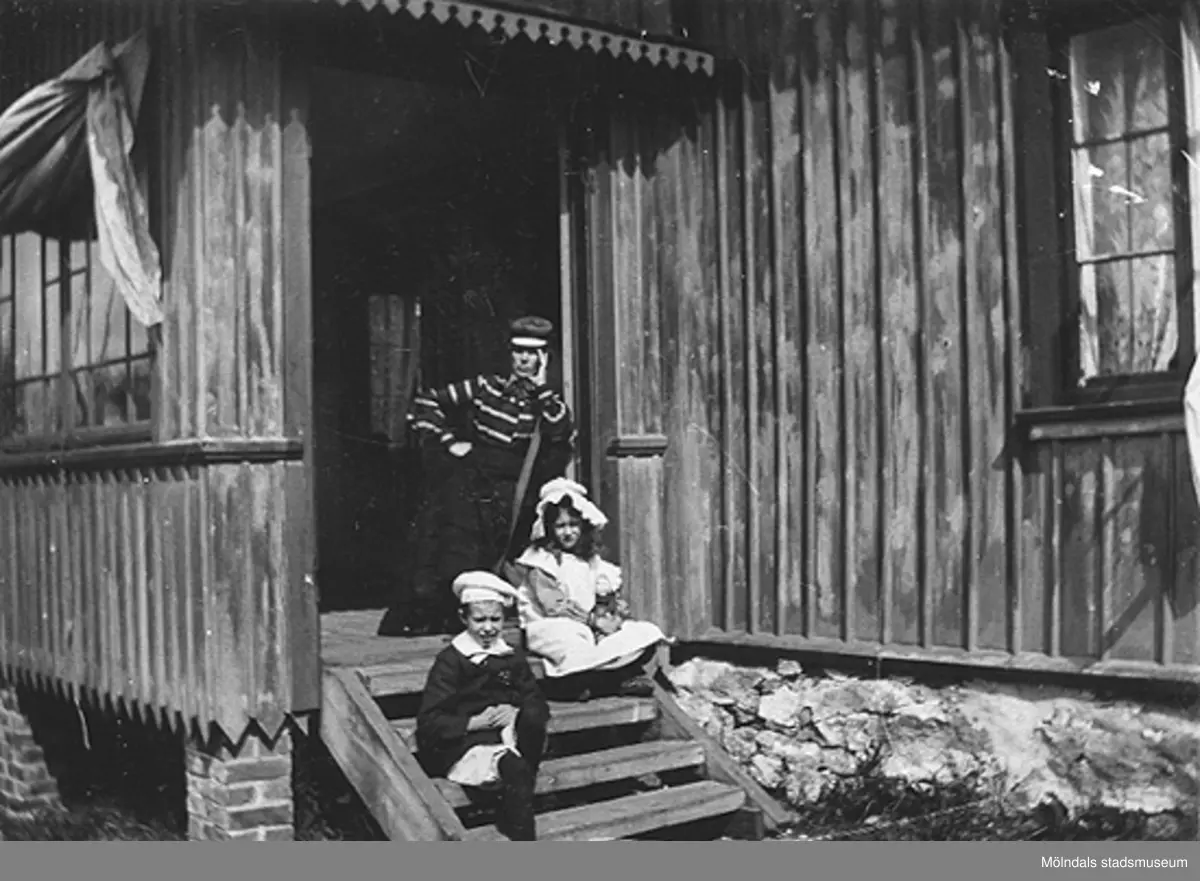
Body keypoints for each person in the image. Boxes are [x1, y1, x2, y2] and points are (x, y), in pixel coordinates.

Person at [378, 316, 575, 636]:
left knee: (505, 553)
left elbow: (559, 429)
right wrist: (449, 441)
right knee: (456, 547)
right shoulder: (486, 385)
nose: (524, 360)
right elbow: (427, 400)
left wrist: (540, 387)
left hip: (515, 492)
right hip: (473, 483)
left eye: (532, 354)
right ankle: (454, 617)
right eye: (518, 352)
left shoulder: (547, 401)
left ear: (543, 358)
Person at [415, 571, 550, 841]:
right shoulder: (452, 660)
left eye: (495, 619)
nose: (488, 628)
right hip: (468, 743)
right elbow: (430, 720)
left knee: (534, 715)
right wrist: (474, 722)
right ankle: (523, 837)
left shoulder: (510, 655)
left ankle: (518, 792)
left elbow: (534, 697)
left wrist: (516, 711)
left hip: (508, 735)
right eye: (479, 620)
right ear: (463, 618)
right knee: (514, 768)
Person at [512, 477, 672, 701]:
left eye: (573, 525)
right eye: (560, 526)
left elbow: (603, 595)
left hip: (589, 625)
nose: (568, 532)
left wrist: (612, 615)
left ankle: (607, 680)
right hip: (551, 625)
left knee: (639, 632)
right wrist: (593, 622)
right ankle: (588, 684)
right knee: (573, 642)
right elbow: (554, 606)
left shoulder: (590, 560)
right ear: (549, 528)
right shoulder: (541, 561)